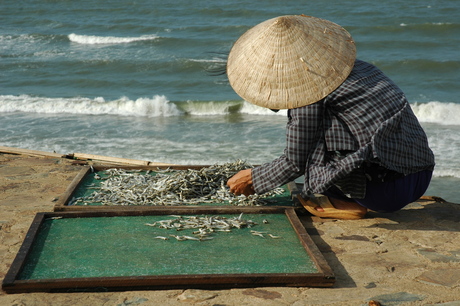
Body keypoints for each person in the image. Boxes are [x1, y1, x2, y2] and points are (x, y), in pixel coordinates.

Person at [225, 15, 435, 219]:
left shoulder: (309, 93)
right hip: (419, 176)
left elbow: (295, 162)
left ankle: (346, 201)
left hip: (386, 193)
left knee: (313, 155)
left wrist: (253, 178)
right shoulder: (360, 67)